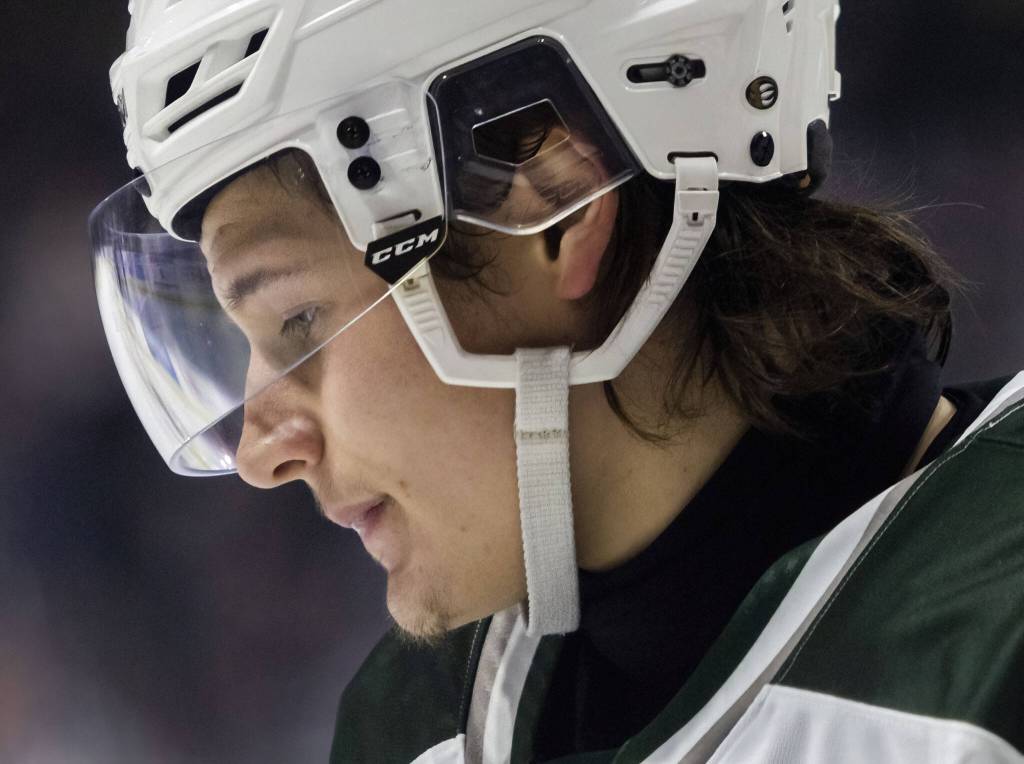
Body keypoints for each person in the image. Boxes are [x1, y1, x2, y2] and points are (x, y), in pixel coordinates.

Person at [90, 0, 1024, 761]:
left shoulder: (994, 642)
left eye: (297, 319)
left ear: (551, 208)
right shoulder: (416, 725)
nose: (262, 451)